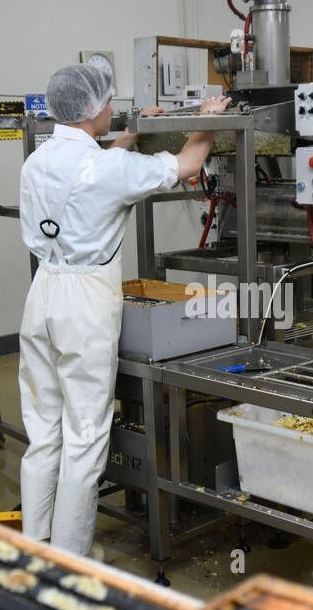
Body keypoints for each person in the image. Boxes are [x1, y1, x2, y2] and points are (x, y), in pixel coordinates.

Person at [17, 63, 230, 556]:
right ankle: (70, 559)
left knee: (44, 432)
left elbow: (92, 176)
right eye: (109, 101)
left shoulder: (38, 161)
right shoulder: (106, 169)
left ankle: (35, 547)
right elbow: (189, 165)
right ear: (93, 110)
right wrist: (211, 120)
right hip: (85, 304)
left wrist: (131, 133)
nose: (113, 107)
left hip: (42, 292)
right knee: (86, 436)